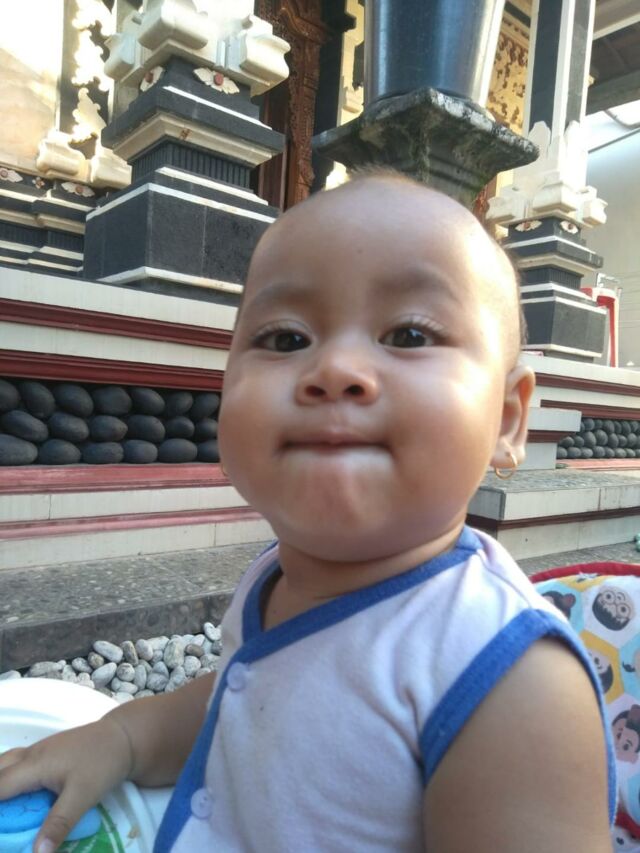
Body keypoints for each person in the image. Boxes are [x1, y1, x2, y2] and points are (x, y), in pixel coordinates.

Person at [0, 172, 615, 852]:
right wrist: (120, 736)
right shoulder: (276, 576)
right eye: (287, 339)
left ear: (507, 417)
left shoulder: (508, 680)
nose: (335, 368)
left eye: (409, 333)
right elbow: (243, 703)